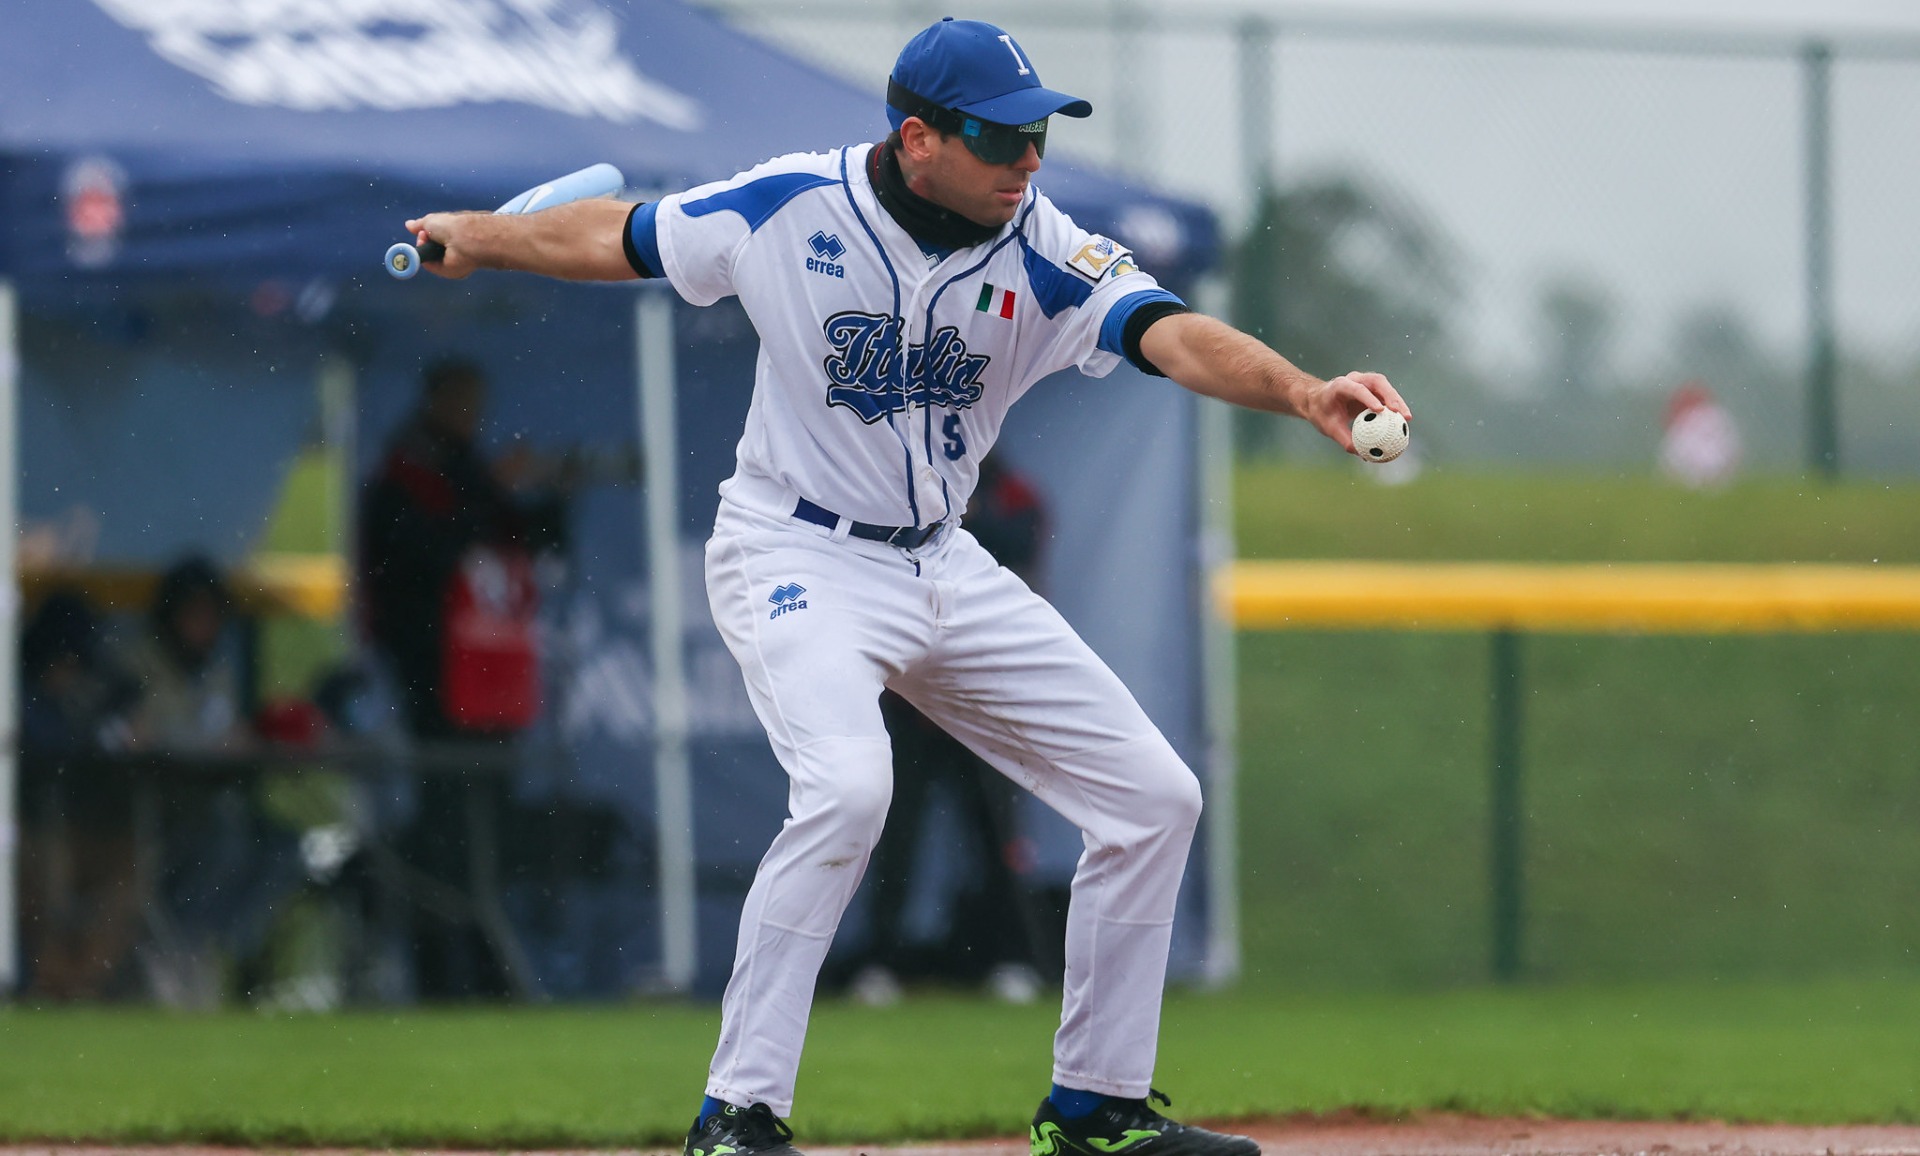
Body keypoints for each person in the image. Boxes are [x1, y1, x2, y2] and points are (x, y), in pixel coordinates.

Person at [404, 16, 1409, 1156]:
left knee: (1154, 799)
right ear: (918, 138)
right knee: (845, 791)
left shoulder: (1038, 241)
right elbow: (617, 233)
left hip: (942, 559)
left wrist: (1304, 390)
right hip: (796, 551)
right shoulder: (790, 205)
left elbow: (1169, 334)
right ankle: (737, 1117)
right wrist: (480, 236)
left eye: (1038, 137)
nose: (1028, 161)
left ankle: (1096, 1111)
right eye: (1001, 139)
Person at [360, 357, 571, 999]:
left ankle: (480, 966)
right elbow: (430, 549)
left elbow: (527, 537)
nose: (472, 415)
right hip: (438, 674)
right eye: (463, 400)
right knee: (447, 822)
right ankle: (444, 971)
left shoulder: (459, 469)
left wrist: (548, 495)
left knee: (483, 820)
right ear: (438, 398)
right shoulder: (413, 470)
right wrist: (493, 492)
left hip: (484, 678)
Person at [850, 453, 1050, 1006]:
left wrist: (962, 519)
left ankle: (1011, 958)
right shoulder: (897, 481)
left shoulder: (1012, 490)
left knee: (997, 839)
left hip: (983, 696)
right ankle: (881, 960)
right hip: (909, 696)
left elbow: (1005, 551)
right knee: (895, 835)